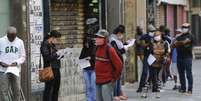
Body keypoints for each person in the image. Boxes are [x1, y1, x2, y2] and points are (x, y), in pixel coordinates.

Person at [95, 29, 123, 101]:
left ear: (105, 39)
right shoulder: (97, 48)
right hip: (98, 80)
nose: (98, 39)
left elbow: (119, 65)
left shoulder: (110, 49)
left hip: (107, 81)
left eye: (100, 37)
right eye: (97, 37)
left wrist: (114, 78)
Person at [109, 25, 134, 101]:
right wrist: (125, 48)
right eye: (122, 34)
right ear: (119, 33)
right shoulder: (113, 40)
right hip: (115, 62)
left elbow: (120, 47)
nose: (122, 36)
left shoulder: (117, 40)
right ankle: (115, 95)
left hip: (120, 61)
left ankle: (118, 94)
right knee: (116, 79)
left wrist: (126, 44)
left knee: (119, 79)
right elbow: (117, 51)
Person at [0, 26, 26, 101]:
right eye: (10, 37)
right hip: (3, 70)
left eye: (13, 37)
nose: (11, 39)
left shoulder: (20, 42)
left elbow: (23, 56)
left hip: (16, 70)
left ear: (16, 35)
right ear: (7, 34)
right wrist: (1, 62)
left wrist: (16, 62)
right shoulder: (1, 41)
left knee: (17, 90)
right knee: (3, 91)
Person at [172, 23, 194, 94]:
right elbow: (173, 45)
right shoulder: (179, 37)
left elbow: (185, 42)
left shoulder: (190, 36)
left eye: (186, 27)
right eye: (183, 27)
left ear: (188, 28)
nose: (184, 28)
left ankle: (190, 89)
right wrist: (180, 43)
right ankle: (183, 88)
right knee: (181, 74)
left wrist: (178, 43)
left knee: (188, 74)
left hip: (187, 57)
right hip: (179, 58)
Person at [41, 30, 62, 101]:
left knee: (56, 88)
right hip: (49, 69)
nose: (58, 41)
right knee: (49, 89)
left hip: (56, 68)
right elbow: (47, 57)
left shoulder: (52, 45)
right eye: (57, 39)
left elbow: (54, 56)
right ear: (52, 38)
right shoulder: (45, 44)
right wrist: (57, 54)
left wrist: (61, 54)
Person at [149, 30, 169, 98]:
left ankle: (155, 86)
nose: (156, 37)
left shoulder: (164, 43)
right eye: (155, 36)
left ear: (160, 36)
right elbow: (151, 51)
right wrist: (160, 52)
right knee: (154, 75)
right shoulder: (151, 43)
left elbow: (166, 51)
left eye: (158, 35)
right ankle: (155, 88)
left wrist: (165, 56)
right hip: (153, 61)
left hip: (160, 61)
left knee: (157, 74)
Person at [136, 24, 155, 93]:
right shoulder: (144, 37)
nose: (152, 32)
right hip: (147, 56)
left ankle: (152, 86)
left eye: (153, 31)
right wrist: (149, 43)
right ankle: (140, 87)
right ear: (148, 31)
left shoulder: (155, 37)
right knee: (145, 72)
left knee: (153, 72)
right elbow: (142, 45)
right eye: (151, 31)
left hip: (153, 56)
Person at [79, 33, 96, 101]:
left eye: (87, 43)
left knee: (93, 85)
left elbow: (96, 58)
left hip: (93, 69)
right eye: (85, 43)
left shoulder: (94, 48)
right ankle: (88, 99)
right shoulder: (84, 49)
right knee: (87, 86)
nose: (86, 44)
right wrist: (83, 59)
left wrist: (91, 58)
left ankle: (94, 99)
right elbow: (80, 57)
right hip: (85, 69)